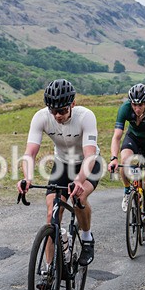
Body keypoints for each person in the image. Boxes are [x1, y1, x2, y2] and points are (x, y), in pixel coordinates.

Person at [18, 79, 100, 270]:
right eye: (53, 111)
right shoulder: (41, 117)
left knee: (79, 196)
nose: (57, 116)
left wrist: (79, 180)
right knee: (51, 214)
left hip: (88, 164)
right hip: (62, 164)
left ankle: (87, 238)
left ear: (73, 104)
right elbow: (29, 153)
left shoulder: (86, 116)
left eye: (62, 110)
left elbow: (90, 155)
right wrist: (27, 178)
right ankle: (49, 269)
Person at [107, 83, 145, 241]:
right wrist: (113, 157)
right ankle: (127, 192)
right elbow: (117, 136)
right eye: (134, 105)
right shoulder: (125, 108)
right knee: (124, 161)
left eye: (140, 105)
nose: (136, 108)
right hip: (132, 139)